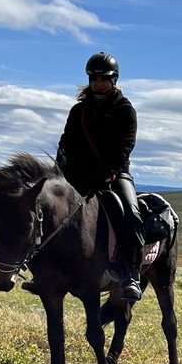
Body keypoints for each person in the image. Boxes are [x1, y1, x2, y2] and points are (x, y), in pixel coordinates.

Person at [54, 51, 144, 302]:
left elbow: (125, 147)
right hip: (78, 176)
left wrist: (105, 174)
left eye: (104, 78)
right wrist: (59, 170)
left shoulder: (125, 110)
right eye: (94, 78)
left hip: (115, 175)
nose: (98, 82)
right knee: (53, 211)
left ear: (114, 79)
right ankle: (48, 272)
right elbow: (66, 143)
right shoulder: (78, 111)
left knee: (130, 213)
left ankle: (130, 275)